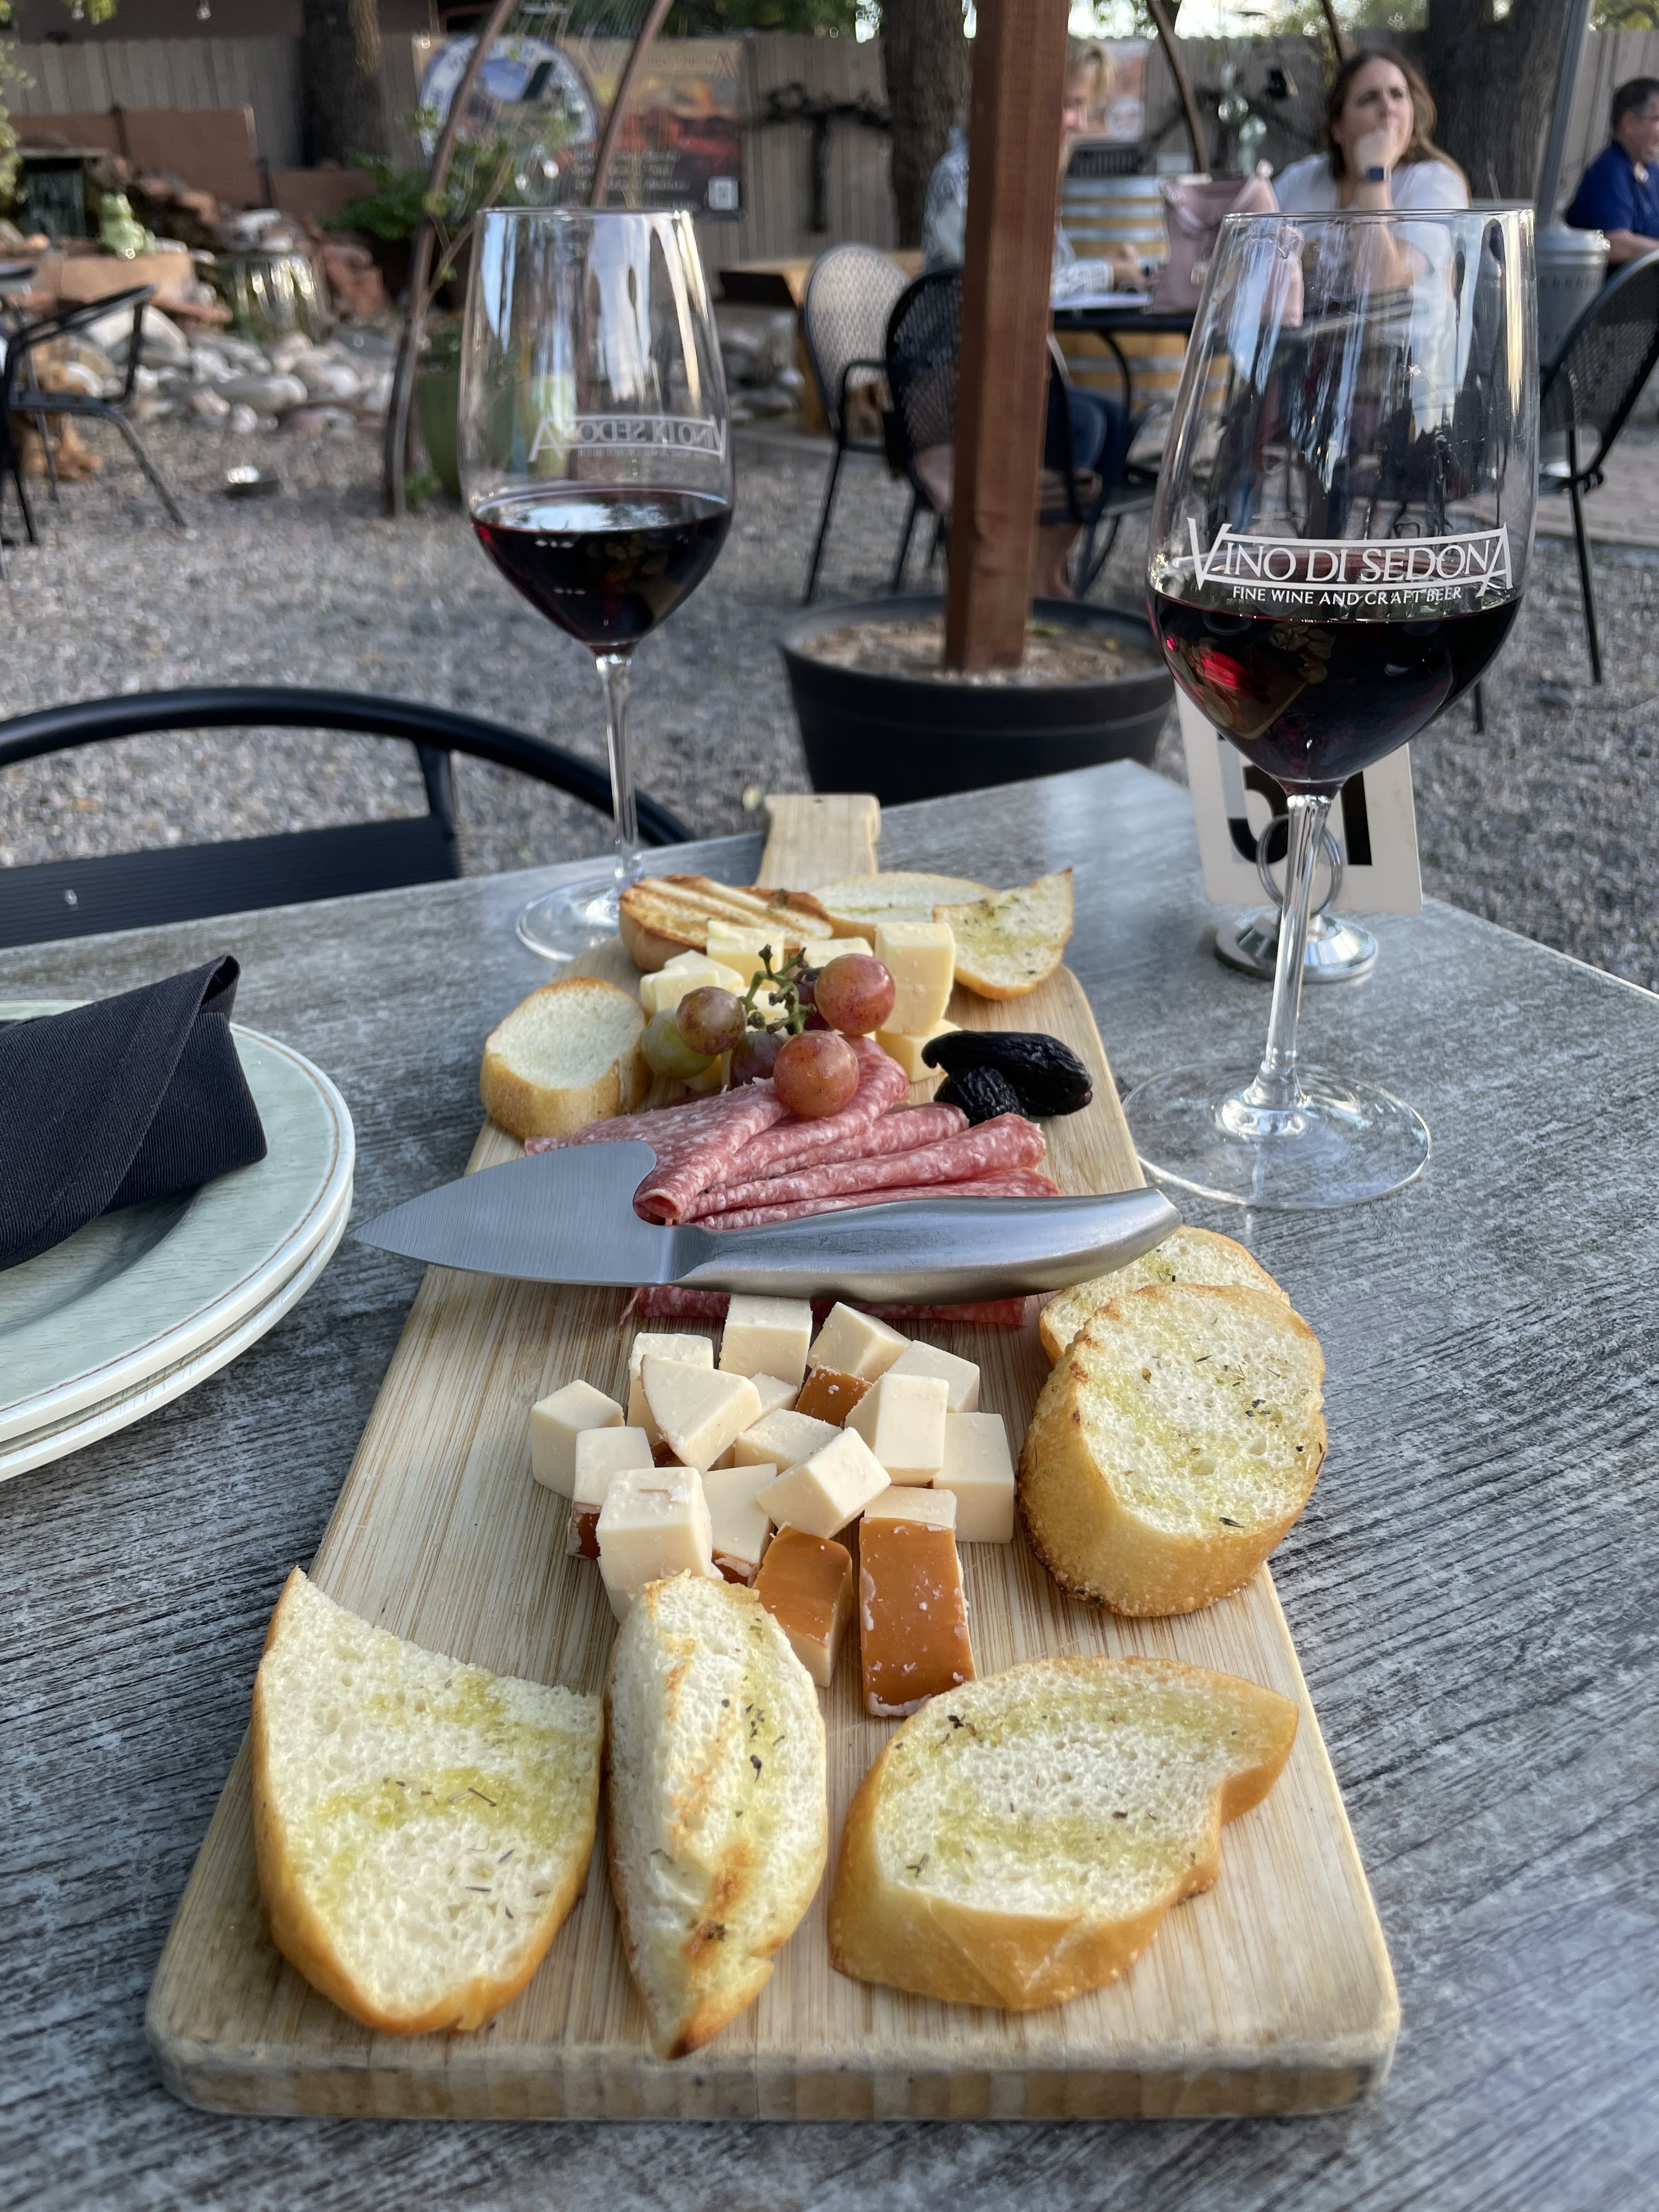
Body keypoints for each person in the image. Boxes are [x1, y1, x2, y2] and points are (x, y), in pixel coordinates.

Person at [919, 38, 1136, 598]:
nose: (1078, 121)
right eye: (1069, 104)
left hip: (1011, 373)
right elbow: (1017, 286)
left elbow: (1051, 275)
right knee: (1083, 424)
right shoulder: (964, 175)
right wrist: (1107, 273)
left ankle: (1045, 573)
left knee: (1115, 421)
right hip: (955, 381)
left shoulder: (1028, 177)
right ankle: (1004, 573)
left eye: (1083, 107)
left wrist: (1112, 269)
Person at [1274, 47, 1469, 215]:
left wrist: (1374, 174)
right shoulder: (1300, 180)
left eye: (1397, 94)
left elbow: (1380, 251)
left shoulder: (1436, 183)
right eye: (1369, 99)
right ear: (1337, 127)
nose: (1388, 108)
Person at [1566, 78, 1659, 266]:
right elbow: (1615, 244)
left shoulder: (1650, 171)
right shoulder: (1610, 172)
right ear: (1630, 123)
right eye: (1657, 120)